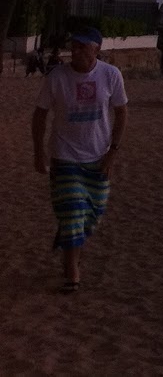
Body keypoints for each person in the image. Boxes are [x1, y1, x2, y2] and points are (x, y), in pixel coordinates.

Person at [32, 27, 127, 293]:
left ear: (96, 49)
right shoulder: (57, 77)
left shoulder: (111, 75)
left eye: (82, 47)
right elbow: (40, 115)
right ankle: (72, 271)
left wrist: (112, 153)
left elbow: (121, 114)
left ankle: (68, 235)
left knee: (91, 215)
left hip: (98, 157)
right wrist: (38, 151)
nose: (75, 51)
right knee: (74, 210)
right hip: (64, 156)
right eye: (73, 46)